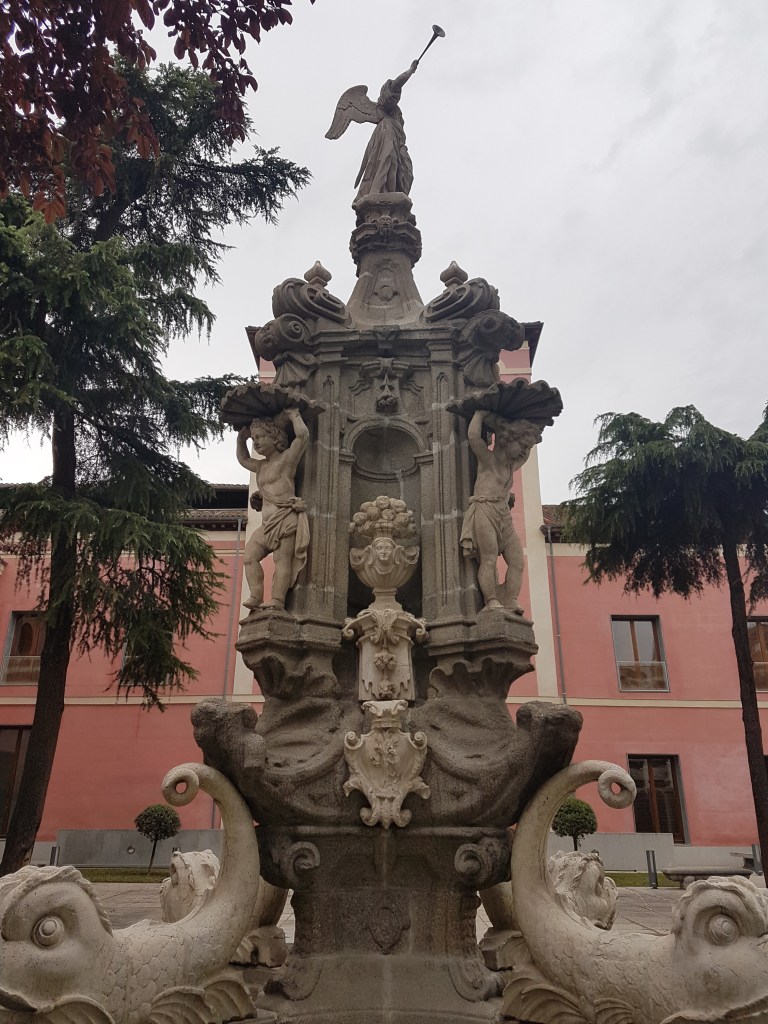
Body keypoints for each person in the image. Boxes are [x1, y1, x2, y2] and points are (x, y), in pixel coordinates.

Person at [460, 411, 542, 612]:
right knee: (488, 559)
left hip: (504, 516)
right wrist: (479, 414)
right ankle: (491, 601)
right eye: (522, 446)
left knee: (517, 561)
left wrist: (534, 430)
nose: (524, 452)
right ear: (507, 440)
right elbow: (474, 437)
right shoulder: (488, 460)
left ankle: (511, 599)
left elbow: (527, 453)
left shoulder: (512, 466)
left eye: (527, 448)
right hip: (485, 510)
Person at [236, 408, 309, 610]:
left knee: (281, 560)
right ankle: (256, 596)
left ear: (275, 437)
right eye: (253, 439)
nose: (256, 442)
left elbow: (302, 437)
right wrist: (241, 440)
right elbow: (243, 459)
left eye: (260, 437)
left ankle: (277, 600)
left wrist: (294, 415)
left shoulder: (286, 460)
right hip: (266, 524)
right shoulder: (260, 466)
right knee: (250, 557)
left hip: (285, 518)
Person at [354, 62, 418, 199]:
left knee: (400, 167)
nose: (395, 95)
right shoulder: (385, 105)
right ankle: (377, 190)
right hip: (386, 132)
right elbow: (398, 84)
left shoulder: (395, 111)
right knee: (387, 158)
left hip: (397, 139)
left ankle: (390, 191)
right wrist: (411, 70)